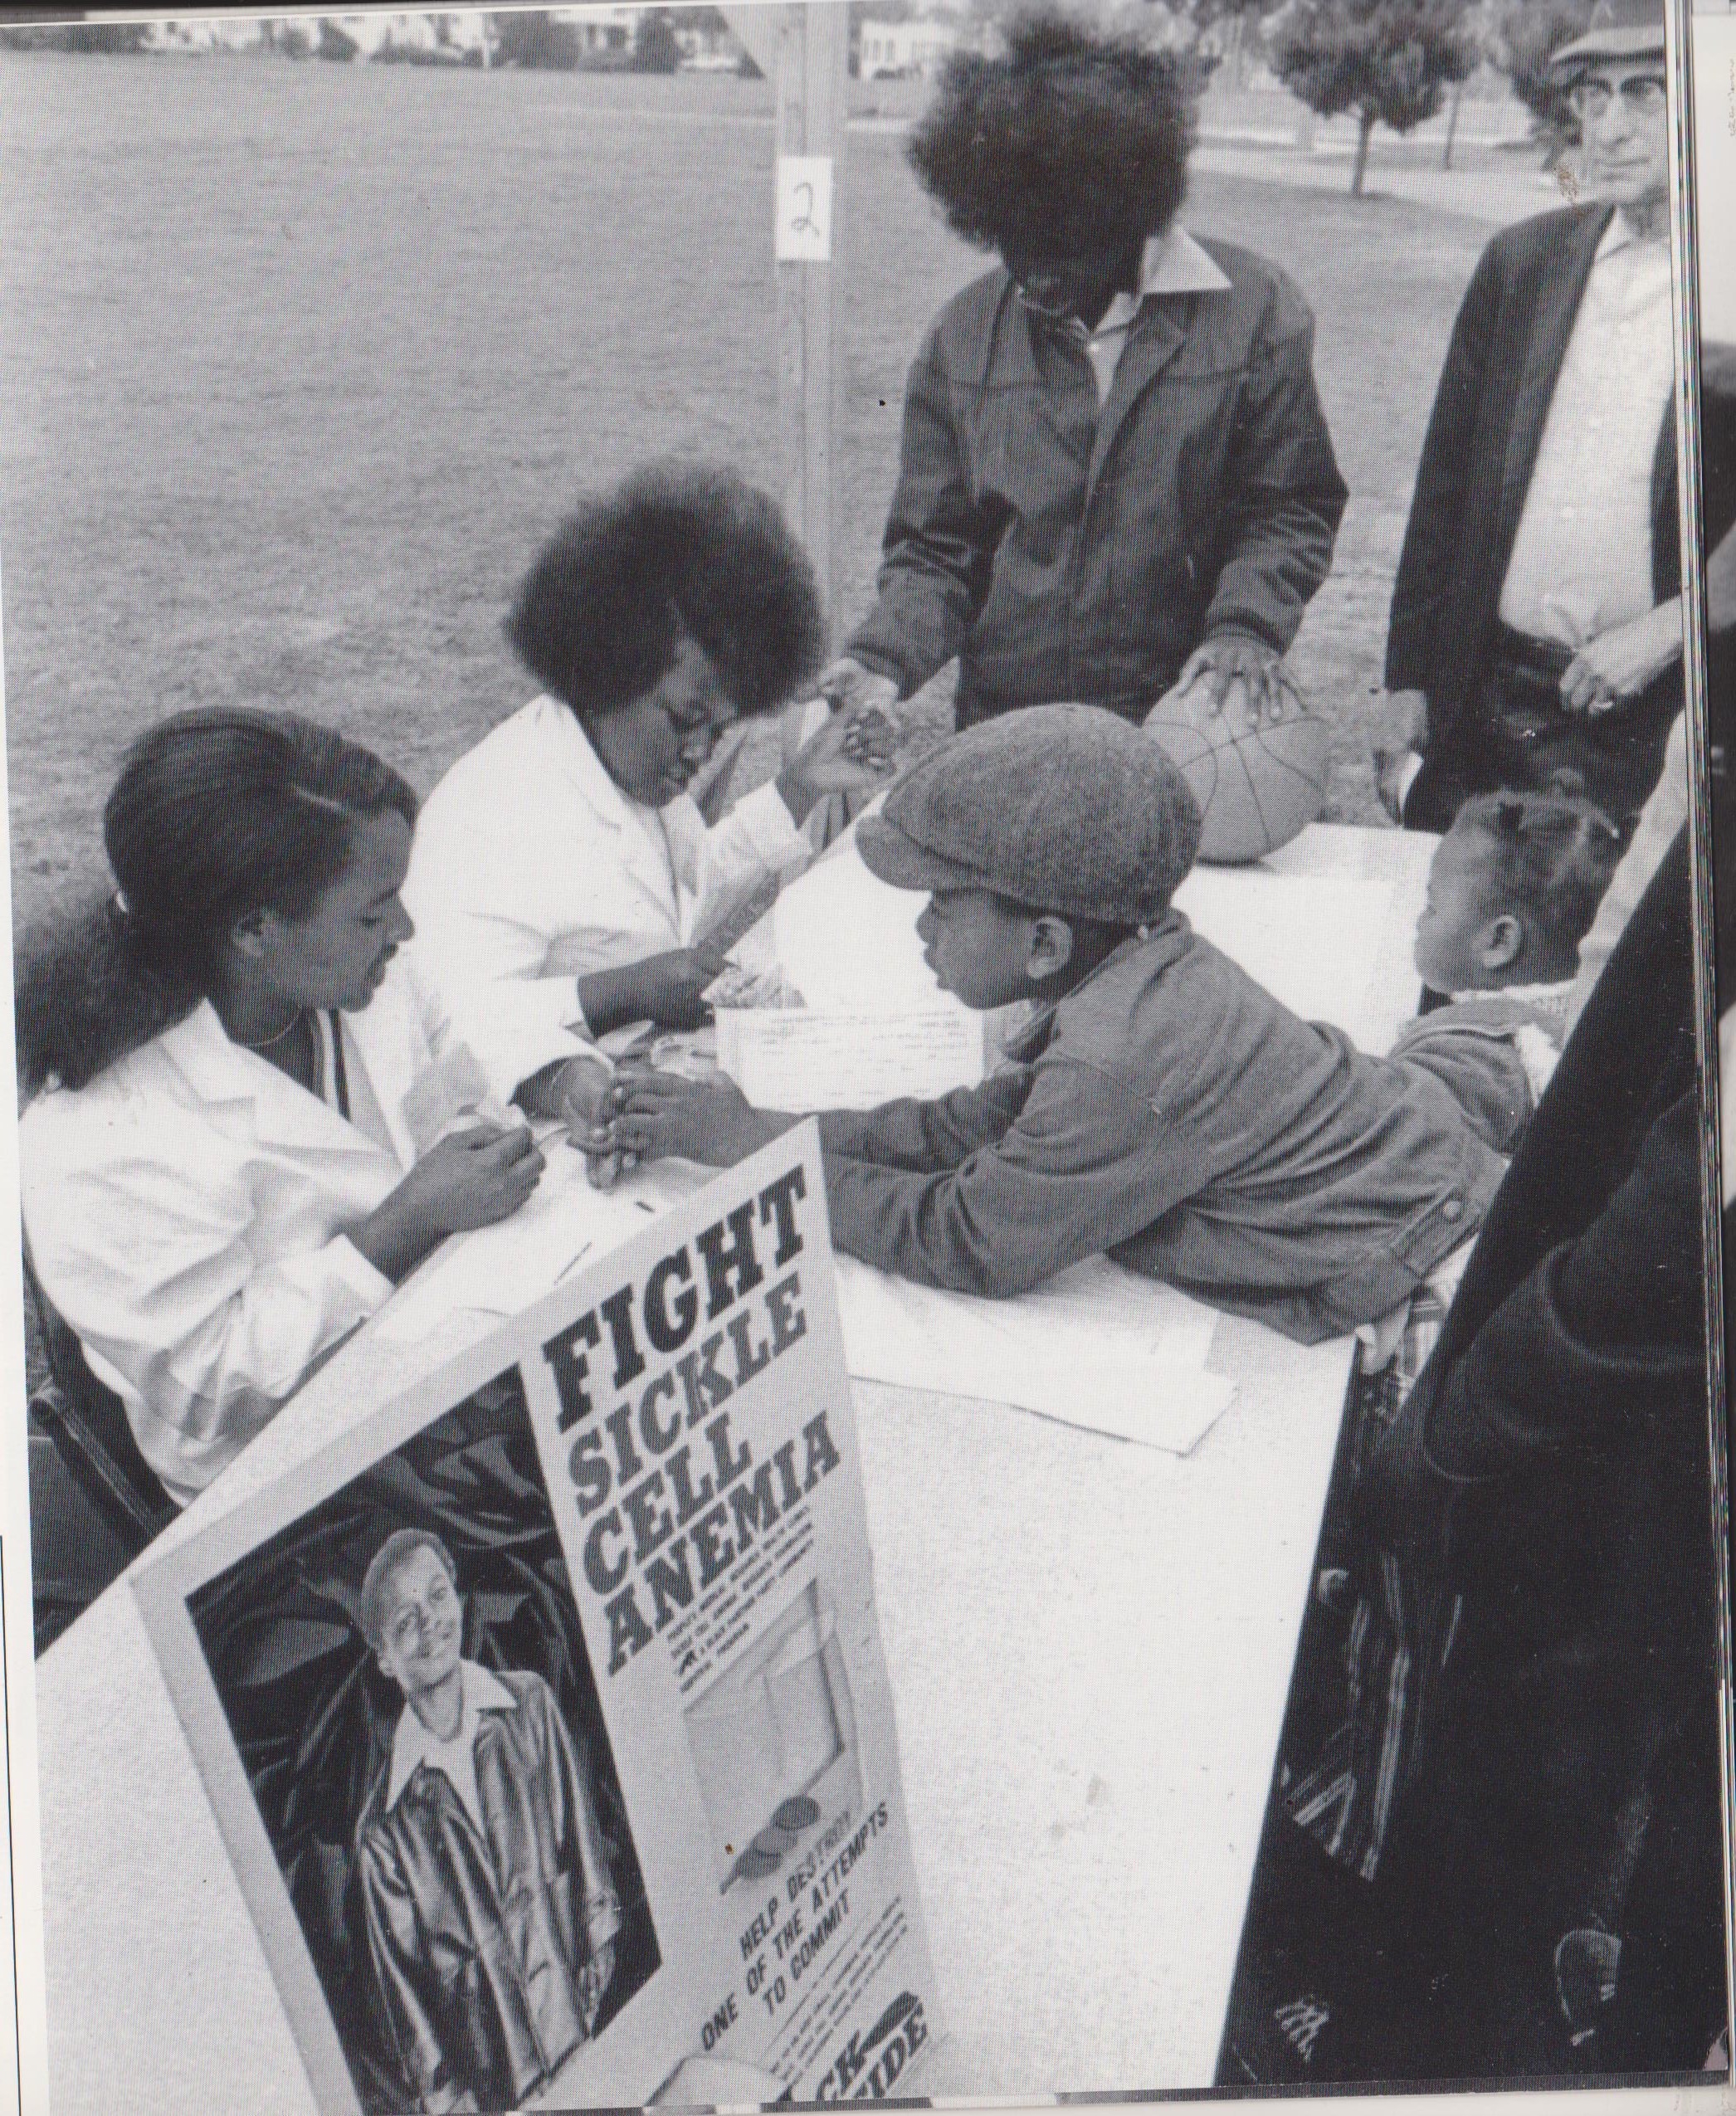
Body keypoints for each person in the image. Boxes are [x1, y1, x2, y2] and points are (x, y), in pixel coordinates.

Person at [597, 705, 1504, 1346]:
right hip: (1429, 1180)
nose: (921, 929)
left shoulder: (1118, 1059)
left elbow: (968, 1238)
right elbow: (962, 1129)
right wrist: (742, 1124)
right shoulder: (1135, 970)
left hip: (1429, 1263)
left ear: (1043, 943)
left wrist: (752, 1160)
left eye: (944, 906)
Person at [17, 710, 607, 1507]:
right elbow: (209, 1385)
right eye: (373, 911)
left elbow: (450, 1025)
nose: (405, 927)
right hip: (290, 1490)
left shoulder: (343, 976)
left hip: (440, 1356)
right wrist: (398, 1230)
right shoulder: (96, 1134)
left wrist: (555, 1076)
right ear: (255, 929)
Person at [811, 13, 1346, 738]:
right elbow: (937, 552)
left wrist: (1245, 627)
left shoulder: (1256, 312)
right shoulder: (959, 340)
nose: (1033, 274)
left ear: (1131, 210)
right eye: (1012, 242)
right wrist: (883, 658)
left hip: (1179, 725)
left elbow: (1287, 507)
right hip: (1008, 728)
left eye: (1063, 246)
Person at [401, 464, 895, 1086]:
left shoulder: (627, 766)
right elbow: (443, 1027)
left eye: (719, 730)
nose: (700, 753)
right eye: (687, 721)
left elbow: (680, 893)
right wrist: (619, 993)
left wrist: (801, 788)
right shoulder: (492, 818)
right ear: (611, 665)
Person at [1376, 0, 1696, 837]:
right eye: (1594, 98)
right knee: (1446, 950)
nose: (1610, 129)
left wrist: (1675, 627)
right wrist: (1406, 682)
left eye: (1646, 94)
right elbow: (1444, 483)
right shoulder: (1524, 264)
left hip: (1659, 726)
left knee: (1602, 964)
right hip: (1488, 704)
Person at [354, 1531, 621, 2115]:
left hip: (580, 2030)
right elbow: (407, 2000)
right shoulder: (382, 1832)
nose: (430, 1625)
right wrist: (454, 2102)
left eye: (438, 1596)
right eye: (405, 1621)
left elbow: (583, 1843)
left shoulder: (530, 1706)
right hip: (498, 2092)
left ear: (459, 1599)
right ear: (383, 1657)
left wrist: (597, 1949)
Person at [1387, 783, 1624, 1153]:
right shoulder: (1581, 1009)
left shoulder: (1486, 1059)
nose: (1419, 920)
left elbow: (1396, 1134)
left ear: (1499, 943)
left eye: (1432, 906)